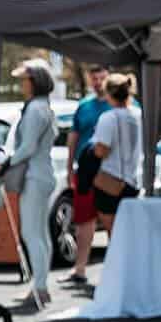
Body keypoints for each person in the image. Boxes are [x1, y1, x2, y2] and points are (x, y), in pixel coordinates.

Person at [8, 59, 59, 312]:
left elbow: (26, 147)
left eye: (24, 80)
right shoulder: (44, 108)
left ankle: (39, 286)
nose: (21, 85)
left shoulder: (35, 109)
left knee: (32, 233)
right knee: (41, 233)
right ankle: (40, 284)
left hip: (34, 176)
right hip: (44, 174)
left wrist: (6, 163)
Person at [63, 64, 110, 287]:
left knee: (113, 220)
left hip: (111, 171)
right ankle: (80, 268)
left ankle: (114, 270)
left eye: (101, 77)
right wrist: (69, 166)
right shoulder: (84, 106)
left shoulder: (124, 106)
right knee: (84, 220)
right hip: (85, 171)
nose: (98, 82)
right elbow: (74, 135)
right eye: (94, 79)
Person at [90, 72, 143, 231]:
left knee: (114, 233)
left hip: (110, 182)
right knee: (128, 231)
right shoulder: (138, 114)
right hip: (133, 180)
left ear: (109, 93)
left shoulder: (108, 117)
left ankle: (117, 257)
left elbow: (101, 151)